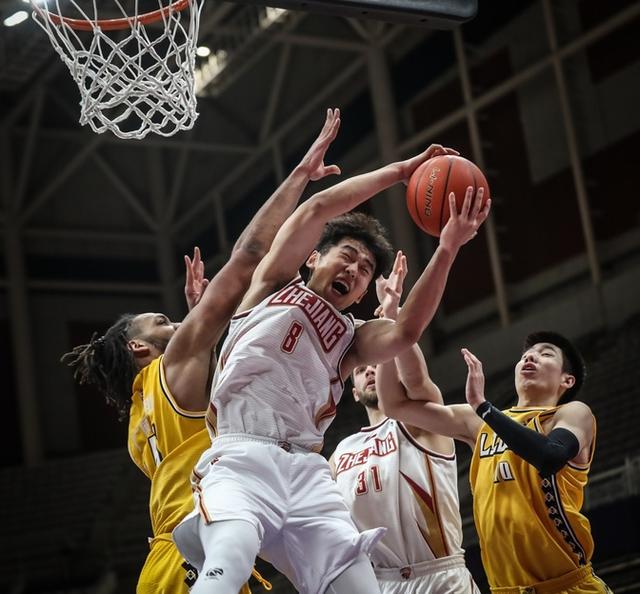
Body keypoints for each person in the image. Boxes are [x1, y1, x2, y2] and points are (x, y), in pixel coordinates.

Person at [172, 141, 491, 594]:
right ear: (313, 258)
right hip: (242, 454)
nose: (356, 269)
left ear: (362, 293)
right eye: (348, 255)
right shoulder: (273, 284)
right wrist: (401, 170)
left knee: (357, 583)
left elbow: (404, 333)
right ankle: (215, 543)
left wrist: (447, 248)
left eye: (365, 270)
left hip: (306, 471)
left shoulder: (352, 341)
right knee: (233, 550)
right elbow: (317, 207)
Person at [60, 108, 343, 594]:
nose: (174, 320)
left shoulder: (136, 427)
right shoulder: (173, 364)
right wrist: (300, 175)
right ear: (138, 346)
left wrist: (205, 334)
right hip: (202, 547)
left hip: (160, 564)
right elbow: (249, 257)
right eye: (163, 321)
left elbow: (205, 417)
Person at [376, 330, 612, 593]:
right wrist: (393, 331)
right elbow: (394, 405)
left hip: (566, 585)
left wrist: (483, 406)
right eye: (526, 355)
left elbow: (550, 456)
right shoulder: (478, 422)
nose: (531, 357)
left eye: (546, 354)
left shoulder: (571, 413)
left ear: (567, 380)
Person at [330, 251, 480, 594]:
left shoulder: (423, 418)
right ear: (351, 392)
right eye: (362, 366)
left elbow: (415, 377)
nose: (369, 368)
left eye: (376, 362)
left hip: (441, 575)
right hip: (381, 582)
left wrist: (393, 317)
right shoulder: (339, 453)